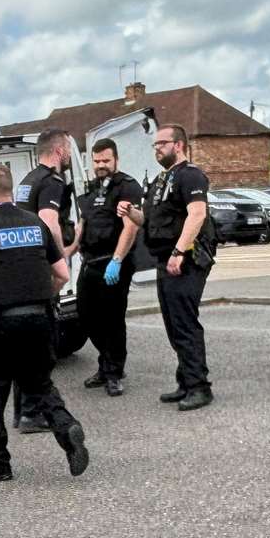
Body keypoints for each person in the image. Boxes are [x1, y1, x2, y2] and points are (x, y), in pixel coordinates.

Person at [0, 163, 89, 481]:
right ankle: (67, 428)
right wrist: (38, 300)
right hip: (39, 320)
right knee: (38, 382)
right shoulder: (35, 223)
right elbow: (61, 274)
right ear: (10, 191)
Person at [115, 124, 215, 411]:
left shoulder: (190, 175)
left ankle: (199, 387)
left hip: (185, 259)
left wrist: (179, 251)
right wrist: (130, 212)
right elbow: (149, 219)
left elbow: (197, 214)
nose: (157, 148)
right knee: (173, 325)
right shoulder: (161, 179)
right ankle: (186, 381)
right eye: (155, 144)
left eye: (162, 143)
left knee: (184, 324)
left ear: (179, 145)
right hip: (165, 259)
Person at [11, 129, 76, 432]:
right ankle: (32, 414)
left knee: (23, 346)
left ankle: (21, 411)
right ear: (60, 151)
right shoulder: (51, 182)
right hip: (41, 268)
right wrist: (60, 260)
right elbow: (49, 222)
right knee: (42, 346)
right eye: (66, 150)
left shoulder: (27, 180)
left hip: (22, 268)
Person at [73, 138, 144, 396]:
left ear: (116, 160)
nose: (101, 165)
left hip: (114, 263)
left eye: (106, 160)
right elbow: (82, 226)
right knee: (86, 317)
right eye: (97, 161)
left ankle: (113, 372)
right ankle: (107, 363)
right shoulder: (91, 190)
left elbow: (131, 226)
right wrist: (66, 252)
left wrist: (116, 260)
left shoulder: (127, 187)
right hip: (89, 263)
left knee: (112, 320)